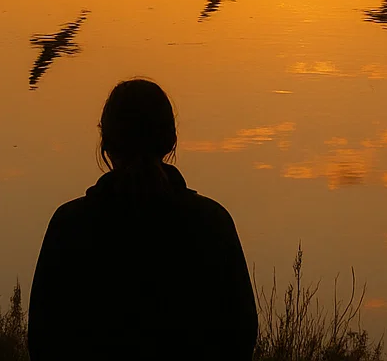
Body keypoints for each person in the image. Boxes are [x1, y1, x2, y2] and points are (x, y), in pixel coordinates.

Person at [28, 78, 257, 360]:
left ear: (106, 143)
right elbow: (240, 335)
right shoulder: (213, 222)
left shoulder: (69, 225)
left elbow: (43, 339)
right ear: (171, 140)